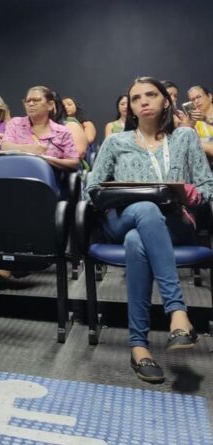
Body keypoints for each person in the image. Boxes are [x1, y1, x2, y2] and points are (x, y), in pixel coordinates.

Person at [85, 77, 209, 383]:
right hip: (123, 217)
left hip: (173, 222)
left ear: (166, 101)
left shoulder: (184, 138)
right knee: (144, 210)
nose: (143, 101)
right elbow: (92, 188)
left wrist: (192, 194)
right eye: (136, 97)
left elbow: (208, 186)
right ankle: (177, 312)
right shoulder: (116, 141)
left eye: (151, 94)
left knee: (136, 240)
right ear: (130, 106)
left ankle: (138, 346)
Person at [0, 86, 80, 171]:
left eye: (36, 100)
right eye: (27, 101)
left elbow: (74, 163)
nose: (31, 104)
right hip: (16, 173)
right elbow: (5, 146)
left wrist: (44, 159)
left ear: (50, 105)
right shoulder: (15, 123)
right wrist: (30, 149)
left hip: (47, 177)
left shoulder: (62, 131)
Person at [186, 85, 213, 159]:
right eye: (192, 100)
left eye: (199, 97)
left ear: (210, 96)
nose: (196, 101)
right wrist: (191, 126)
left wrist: (206, 119)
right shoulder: (195, 121)